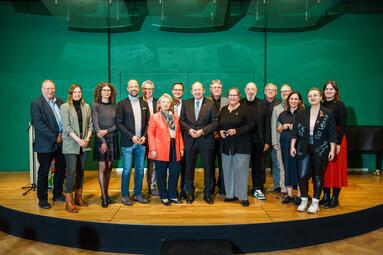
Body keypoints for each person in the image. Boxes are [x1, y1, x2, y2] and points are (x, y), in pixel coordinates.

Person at [290, 87, 336, 214]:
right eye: (310, 96)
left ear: (321, 97)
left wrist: (332, 150)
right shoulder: (301, 112)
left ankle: (315, 202)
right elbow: (295, 131)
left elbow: (332, 133)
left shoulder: (328, 113)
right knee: (302, 175)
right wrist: (292, 146)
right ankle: (304, 199)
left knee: (318, 176)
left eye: (315, 95)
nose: (312, 97)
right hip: (303, 147)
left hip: (321, 149)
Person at [180, 81, 219, 204]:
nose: (197, 91)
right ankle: (190, 193)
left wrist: (202, 131)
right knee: (189, 168)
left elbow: (215, 122)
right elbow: (182, 120)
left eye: (199, 89)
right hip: (190, 140)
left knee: (208, 168)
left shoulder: (211, 104)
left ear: (203, 91)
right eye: (195, 89)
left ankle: (207, 194)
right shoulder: (186, 103)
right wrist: (189, 129)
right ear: (191, 91)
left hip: (206, 140)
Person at [30, 80, 66, 209]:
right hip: (45, 144)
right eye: (47, 88)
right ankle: (43, 199)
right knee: (44, 173)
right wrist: (55, 137)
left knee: (61, 170)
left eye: (52, 88)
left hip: (61, 143)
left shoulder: (60, 102)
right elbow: (39, 125)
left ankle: (57, 194)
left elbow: (66, 120)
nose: (50, 91)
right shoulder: (36, 103)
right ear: (42, 89)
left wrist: (63, 135)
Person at [116, 79, 150, 206]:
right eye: (131, 86)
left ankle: (137, 194)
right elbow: (119, 123)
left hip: (141, 143)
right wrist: (132, 137)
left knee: (140, 170)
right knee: (126, 170)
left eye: (136, 86)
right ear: (127, 88)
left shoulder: (144, 103)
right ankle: (125, 195)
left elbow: (148, 123)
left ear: (139, 88)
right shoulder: (122, 104)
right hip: (128, 143)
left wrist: (145, 136)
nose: (134, 88)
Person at [219, 88, 254, 207]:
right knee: (228, 170)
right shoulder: (223, 110)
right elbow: (219, 125)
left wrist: (236, 131)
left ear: (239, 97)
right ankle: (230, 195)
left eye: (234, 95)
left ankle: (243, 197)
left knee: (241, 172)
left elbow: (251, 126)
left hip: (241, 146)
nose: (232, 97)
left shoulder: (245, 109)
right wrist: (220, 132)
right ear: (227, 96)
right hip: (226, 146)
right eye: (230, 95)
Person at [61, 84, 93, 213]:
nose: (77, 94)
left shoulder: (86, 107)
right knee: (71, 172)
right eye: (75, 92)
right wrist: (79, 140)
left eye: (79, 92)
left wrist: (87, 139)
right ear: (70, 93)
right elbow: (67, 127)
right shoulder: (65, 107)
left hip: (84, 144)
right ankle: (68, 201)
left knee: (81, 171)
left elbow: (90, 125)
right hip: (71, 144)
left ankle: (78, 198)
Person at [147, 93, 184, 206]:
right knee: (161, 174)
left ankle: (172, 195)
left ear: (171, 104)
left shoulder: (175, 116)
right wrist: (153, 149)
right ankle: (163, 196)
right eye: (163, 102)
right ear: (159, 104)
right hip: (160, 148)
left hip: (174, 147)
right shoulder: (155, 117)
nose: (166, 104)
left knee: (175, 172)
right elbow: (150, 133)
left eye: (168, 102)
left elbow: (178, 133)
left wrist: (181, 147)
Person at [321, 80, 348, 208]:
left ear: (336, 91)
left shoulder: (340, 105)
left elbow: (343, 126)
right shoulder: (320, 104)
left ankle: (335, 198)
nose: (329, 91)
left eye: (331, 89)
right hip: (323, 140)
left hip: (337, 140)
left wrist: (337, 143)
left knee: (336, 169)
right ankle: (325, 196)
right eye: (327, 89)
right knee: (324, 169)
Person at [92, 82, 120, 208]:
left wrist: (108, 131)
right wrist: (103, 141)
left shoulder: (116, 105)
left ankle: (107, 195)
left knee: (109, 166)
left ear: (111, 92)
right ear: (100, 92)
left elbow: (118, 124)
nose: (106, 92)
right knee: (102, 166)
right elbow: (95, 125)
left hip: (112, 137)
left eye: (108, 90)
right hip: (100, 139)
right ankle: (103, 197)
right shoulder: (95, 105)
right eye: (104, 90)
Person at [241, 82, 270, 200]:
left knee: (258, 166)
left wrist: (267, 141)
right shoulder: (240, 103)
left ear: (256, 90)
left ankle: (257, 188)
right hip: (243, 141)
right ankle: (241, 188)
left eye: (253, 89)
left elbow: (267, 124)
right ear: (245, 90)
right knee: (242, 166)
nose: (250, 91)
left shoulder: (263, 104)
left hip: (259, 141)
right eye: (248, 89)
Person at [277, 91, 304, 204]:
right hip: (284, 143)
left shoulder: (303, 113)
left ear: (299, 101)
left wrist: (294, 127)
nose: (293, 101)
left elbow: (305, 129)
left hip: (298, 144)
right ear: (288, 100)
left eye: (295, 99)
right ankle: (289, 195)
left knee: (298, 168)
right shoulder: (283, 113)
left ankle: (299, 195)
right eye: (291, 99)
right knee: (286, 166)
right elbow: (278, 129)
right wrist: (283, 126)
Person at [208, 79, 228, 196]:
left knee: (223, 163)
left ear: (221, 89)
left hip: (223, 137)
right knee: (210, 164)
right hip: (209, 137)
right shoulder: (206, 101)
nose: (217, 89)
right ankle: (210, 187)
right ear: (210, 89)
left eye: (219, 88)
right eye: (214, 87)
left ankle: (222, 186)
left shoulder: (226, 100)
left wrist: (221, 131)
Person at [271, 84, 292, 195]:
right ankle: (283, 189)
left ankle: (294, 187)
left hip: (294, 142)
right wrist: (274, 142)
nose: (285, 93)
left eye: (287, 91)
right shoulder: (276, 108)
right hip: (280, 142)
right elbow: (273, 126)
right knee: (282, 166)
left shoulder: (296, 106)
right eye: (283, 91)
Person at [262, 83, 282, 193]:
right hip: (264, 139)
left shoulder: (280, 103)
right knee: (261, 164)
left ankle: (277, 185)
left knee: (277, 162)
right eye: (268, 90)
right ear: (264, 91)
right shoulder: (260, 103)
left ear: (276, 92)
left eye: (273, 90)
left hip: (277, 138)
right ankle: (261, 185)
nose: (270, 91)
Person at [140, 80, 159, 197]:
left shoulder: (158, 102)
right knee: (140, 164)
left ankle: (152, 186)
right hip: (141, 138)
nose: (148, 91)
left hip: (155, 139)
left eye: (150, 89)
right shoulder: (137, 101)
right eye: (145, 89)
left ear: (153, 90)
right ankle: (138, 189)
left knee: (153, 164)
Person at [171, 82, 187, 199]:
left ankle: (184, 190)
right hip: (171, 141)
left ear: (183, 92)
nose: (178, 92)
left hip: (186, 138)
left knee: (185, 166)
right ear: (172, 91)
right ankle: (172, 190)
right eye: (176, 90)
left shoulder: (187, 104)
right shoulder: (166, 103)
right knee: (174, 167)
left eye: (180, 90)